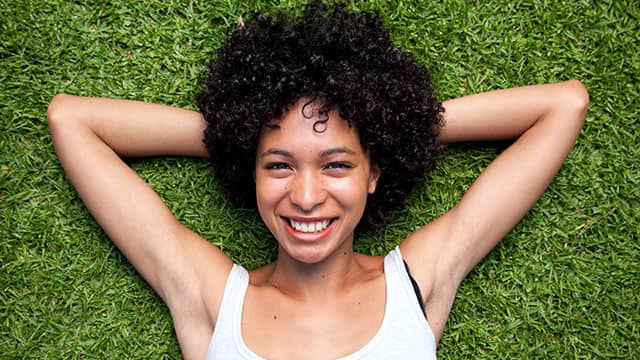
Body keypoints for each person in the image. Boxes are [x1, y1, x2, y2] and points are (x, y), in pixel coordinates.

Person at [47, 2, 588, 359]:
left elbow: (564, 106)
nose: (306, 196)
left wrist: (391, 128)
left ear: (374, 172)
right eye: (279, 165)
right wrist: (243, 134)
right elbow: (72, 120)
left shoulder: (415, 288)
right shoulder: (213, 298)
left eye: (336, 164)